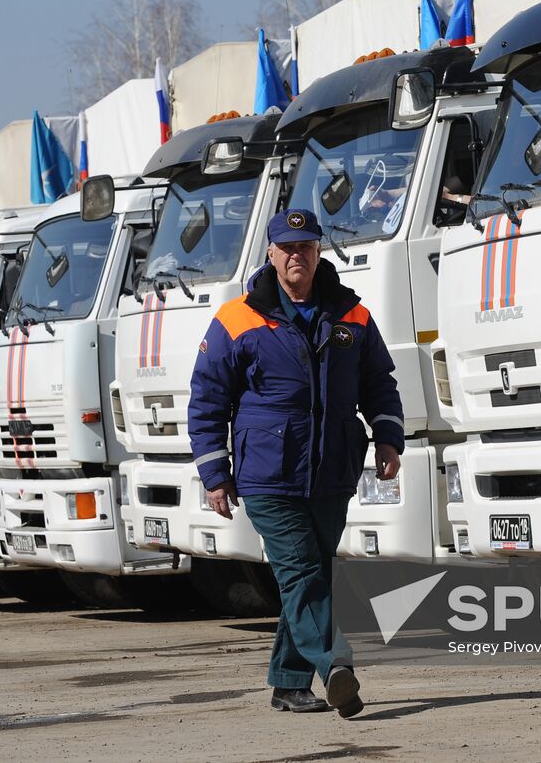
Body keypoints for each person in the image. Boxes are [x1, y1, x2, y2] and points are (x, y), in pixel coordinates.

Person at [188, 208, 403, 718]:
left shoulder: (353, 315)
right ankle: (336, 667)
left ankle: (288, 682)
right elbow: (207, 398)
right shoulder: (236, 318)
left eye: (305, 247)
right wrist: (215, 473)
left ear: (318, 251)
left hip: (332, 470)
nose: (296, 256)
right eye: (286, 248)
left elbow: (380, 383)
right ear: (270, 253)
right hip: (269, 474)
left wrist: (389, 437)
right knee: (303, 571)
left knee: (312, 577)